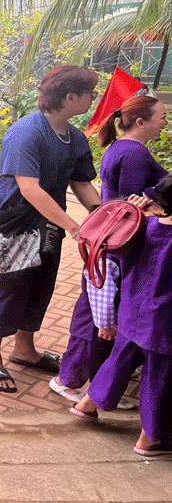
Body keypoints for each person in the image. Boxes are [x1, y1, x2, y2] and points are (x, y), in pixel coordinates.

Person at [0, 66, 102, 393]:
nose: (93, 98)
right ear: (70, 97)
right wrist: (74, 227)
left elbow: (81, 183)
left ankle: (24, 349)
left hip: (48, 226)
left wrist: (104, 217)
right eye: (90, 93)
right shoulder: (27, 133)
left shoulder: (74, 137)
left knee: (40, 286)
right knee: (6, 287)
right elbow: (29, 189)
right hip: (14, 225)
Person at [51, 95, 168, 402]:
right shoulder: (134, 155)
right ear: (141, 122)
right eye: (162, 117)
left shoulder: (122, 147)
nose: (165, 122)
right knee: (100, 319)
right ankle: (74, 381)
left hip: (107, 242)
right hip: (118, 248)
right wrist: (154, 202)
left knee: (95, 313)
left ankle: (84, 379)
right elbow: (131, 205)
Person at [71, 182, 172, 457]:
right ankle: (150, 438)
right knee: (159, 377)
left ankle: (88, 405)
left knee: (119, 360)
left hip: (132, 310)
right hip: (163, 324)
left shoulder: (144, 227)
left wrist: (134, 211)